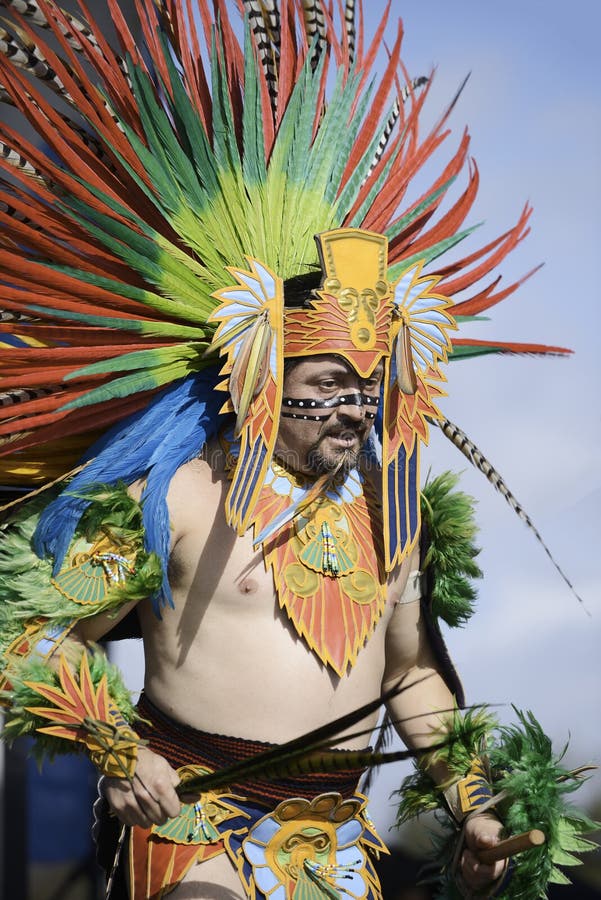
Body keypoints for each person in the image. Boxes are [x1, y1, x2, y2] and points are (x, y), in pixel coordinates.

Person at [0, 3, 594, 899]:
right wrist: (115, 747)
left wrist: (471, 803)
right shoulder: (178, 496)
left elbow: (408, 670)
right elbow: (39, 640)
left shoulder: (392, 516)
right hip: (193, 835)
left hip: (337, 848)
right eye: (326, 382)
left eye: (368, 382)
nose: (354, 404)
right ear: (258, 377)